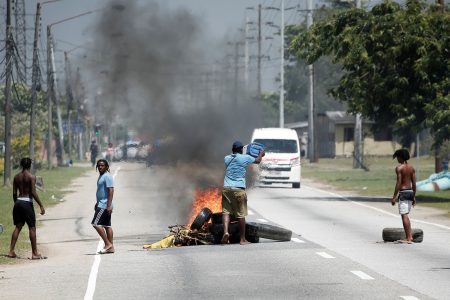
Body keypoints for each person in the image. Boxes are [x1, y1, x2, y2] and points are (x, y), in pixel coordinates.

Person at [221, 141, 265, 245]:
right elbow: (258, 161)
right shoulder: (245, 158)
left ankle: (226, 232)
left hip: (226, 188)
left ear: (232, 149)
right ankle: (242, 239)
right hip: (238, 188)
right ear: (241, 149)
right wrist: (261, 154)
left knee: (226, 211)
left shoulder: (226, 158)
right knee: (241, 214)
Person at [8, 157, 46, 259]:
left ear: (21, 165)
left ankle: (11, 251)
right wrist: (41, 205)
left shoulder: (16, 177)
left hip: (18, 202)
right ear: (30, 165)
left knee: (18, 226)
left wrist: (17, 203)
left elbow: (14, 193)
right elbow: (33, 192)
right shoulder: (31, 177)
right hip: (27, 203)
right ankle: (34, 253)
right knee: (32, 228)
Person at [391, 149, 416, 244]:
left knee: (404, 215)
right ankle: (409, 236)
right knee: (406, 214)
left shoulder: (399, 168)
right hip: (410, 192)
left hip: (403, 192)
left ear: (401, 157)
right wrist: (414, 196)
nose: (397, 159)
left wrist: (394, 197)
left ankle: (409, 238)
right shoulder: (411, 168)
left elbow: (398, 183)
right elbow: (414, 183)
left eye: (397, 157)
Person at [92, 159, 115, 254]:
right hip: (101, 203)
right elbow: (102, 191)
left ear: (106, 167)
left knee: (96, 224)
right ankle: (111, 247)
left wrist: (108, 205)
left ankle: (107, 244)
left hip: (104, 205)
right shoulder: (102, 176)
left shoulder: (107, 176)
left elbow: (111, 190)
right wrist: (97, 202)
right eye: (99, 165)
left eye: (102, 165)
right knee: (107, 225)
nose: (100, 167)